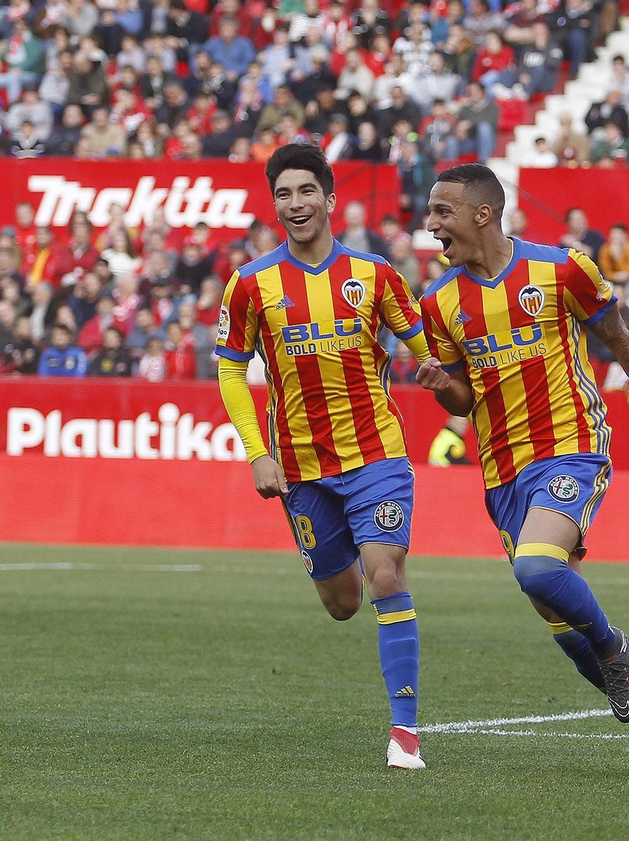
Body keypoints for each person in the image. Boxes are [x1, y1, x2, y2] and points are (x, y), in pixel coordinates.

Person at [415, 163, 629, 780]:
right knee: (555, 614)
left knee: (538, 568)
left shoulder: (562, 269)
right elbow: (463, 397)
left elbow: (622, 344)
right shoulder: (438, 303)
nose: (430, 224)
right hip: (501, 472)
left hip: (571, 445)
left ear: (483, 213)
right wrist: (442, 387)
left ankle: (615, 647)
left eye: (442, 212)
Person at [215, 143, 433, 771]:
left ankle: (405, 732)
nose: (295, 204)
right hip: (303, 470)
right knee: (342, 603)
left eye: (306, 191)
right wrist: (258, 454)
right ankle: (356, 564)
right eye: (283, 194)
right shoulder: (251, 283)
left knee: (386, 574)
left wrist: (446, 379)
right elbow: (232, 373)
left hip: (377, 457)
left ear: (330, 199)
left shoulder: (377, 276)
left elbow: (424, 349)